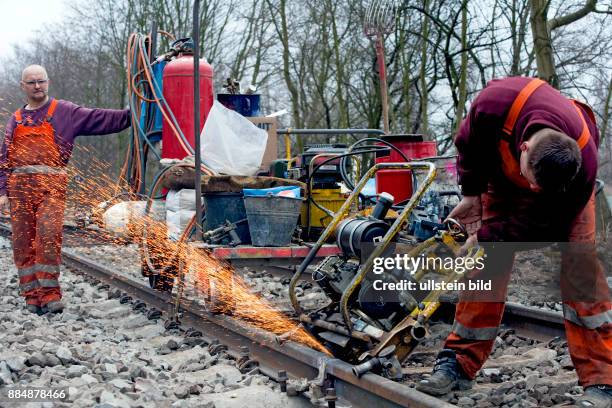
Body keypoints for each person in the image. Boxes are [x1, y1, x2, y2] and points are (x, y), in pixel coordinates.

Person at [416, 77, 612, 407]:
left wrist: (488, 235)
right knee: (485, 266)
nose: (534, 192)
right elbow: (469, 143)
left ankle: (604, 379)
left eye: (540, 190)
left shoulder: (583, 168)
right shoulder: (496, 103)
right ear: (523, 148)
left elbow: (545, 227)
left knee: (580, 270)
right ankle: (457, 365)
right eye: (534, 184)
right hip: (500, 180)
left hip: (561, 204)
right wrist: (472, 193)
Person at [0, 65, 130, 315]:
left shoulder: (65, 112)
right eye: (32, 82)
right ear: (23, 86)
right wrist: (2, 192)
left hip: (51, 188)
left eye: (41, 81)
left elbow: (101, 118)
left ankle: (50, 295)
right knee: (22, 243)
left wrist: (134, 113)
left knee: (47, 238)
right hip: (20, 191)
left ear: (47, 83)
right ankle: (31, 296)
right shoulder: (15, 120)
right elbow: (4, 159)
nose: (37, 86)